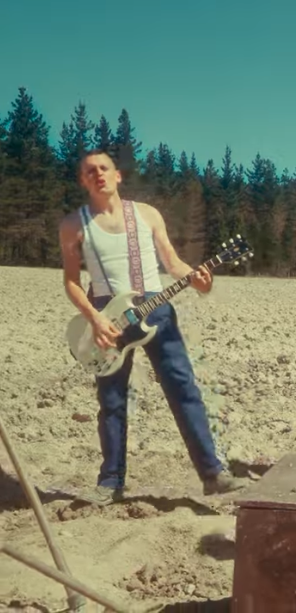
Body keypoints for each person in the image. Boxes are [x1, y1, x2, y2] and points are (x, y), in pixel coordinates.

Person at [58, 149, 247, 505]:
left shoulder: (146, 215)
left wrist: (200, 280)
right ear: (83, 180)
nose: (98, 174)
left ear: (117, 175)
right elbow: (70, 281)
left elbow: (173, 264)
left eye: (104, 168)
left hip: (156, 309)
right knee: (112, 400)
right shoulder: (73, 225)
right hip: (106, 316)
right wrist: (95, 318)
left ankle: (212, 474)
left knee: (183, 386)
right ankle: (110, 481)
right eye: (90, 171)